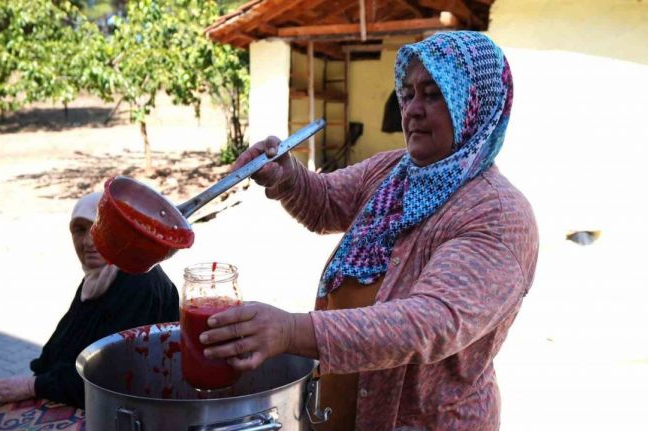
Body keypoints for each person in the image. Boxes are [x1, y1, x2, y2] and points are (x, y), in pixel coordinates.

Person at [199, 31, 538, 430]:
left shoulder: (497, 215)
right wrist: (286, 176)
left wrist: (292, 330)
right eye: (408, 94)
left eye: (433, 94)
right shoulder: (396, 172)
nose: (412, 109)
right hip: (339, 408)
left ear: (474, 106)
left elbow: (428, 323)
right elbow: (325, 202)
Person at [0, 192, 179, 408]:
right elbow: (63, 345)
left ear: (118, 234)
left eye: (98, 229)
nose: (88, 241)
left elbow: (113, 374)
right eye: (80, 230)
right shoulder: (100, 277)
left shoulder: (138, 281)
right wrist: (37, 379)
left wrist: (33, 386)